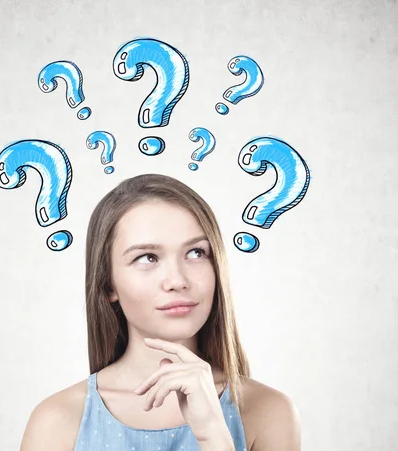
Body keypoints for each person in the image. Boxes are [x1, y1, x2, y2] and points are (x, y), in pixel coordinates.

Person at [20, 173, 301, 451]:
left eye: (196, 253)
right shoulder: (56, 420)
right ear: (108, 285)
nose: (177, 280)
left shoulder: (268, 411)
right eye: (147, 258)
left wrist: (213, 434)